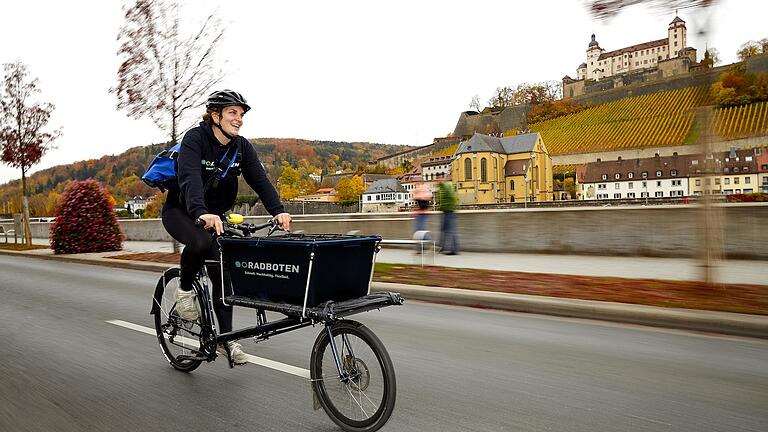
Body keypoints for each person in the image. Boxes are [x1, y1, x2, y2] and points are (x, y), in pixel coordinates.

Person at [161, 89, 291, 365]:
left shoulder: (241, 147)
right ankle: (184, 289)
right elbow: (189, 180)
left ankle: (227, 339)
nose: (239, 119)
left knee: (224, 274)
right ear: (215, 115)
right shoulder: (195, 139)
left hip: (214, 217)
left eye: (241, 114)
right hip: (181, 211)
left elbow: (260, 181)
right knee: (199, 242)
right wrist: (201, 212)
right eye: (233, 112)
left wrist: (278, 211)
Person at [437, 181, 459, 255]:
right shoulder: (441, 188)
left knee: (450, 231)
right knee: (444, 230)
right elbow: (441, 199)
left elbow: (452, 197)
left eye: (438, 179)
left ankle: (454, 250)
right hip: (445, 211)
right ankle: (442, 247)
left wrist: (450, 207)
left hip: (449, 211)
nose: (437, 181)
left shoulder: (447, 186)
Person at [411, 181, 432, 252]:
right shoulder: (422, 190)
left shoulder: (421, 190)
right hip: (421, 214)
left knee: (420, 231)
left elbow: (423, 204)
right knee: (419, 231)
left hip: (422, 214)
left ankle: (429, 245)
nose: (414, 184)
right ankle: (420, 248)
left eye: (416, 183)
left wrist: (417, 211)